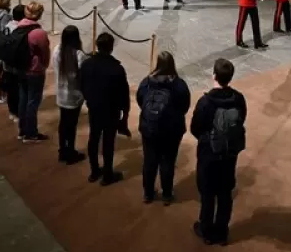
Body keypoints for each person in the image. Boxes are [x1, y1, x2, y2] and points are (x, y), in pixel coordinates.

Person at [190, 58, 247, 246]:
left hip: (209, 152)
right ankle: (221, 232)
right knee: (224, 193)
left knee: (207, 193)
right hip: (229, 153)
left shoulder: (206, 101)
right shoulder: (238, 99)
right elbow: (241, 120)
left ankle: (206, 229)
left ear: (213, 75)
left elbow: (195, 127)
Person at [137, 51, 191, 205]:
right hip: (171, 130)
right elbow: (184, 106)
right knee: (168, 161)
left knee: (149, 161)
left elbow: (141, 100)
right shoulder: (179, 85)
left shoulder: (146, 82)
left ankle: (148, 194)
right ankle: (167, 194)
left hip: (149, 128)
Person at [80, 32, 130, 185]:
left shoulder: (87, 64)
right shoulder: (116, 69)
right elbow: (123, 94)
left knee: (93, 138)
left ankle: (94, 171)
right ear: (111, 48)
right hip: (111, 110)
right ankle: (107, 173)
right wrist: (125, 113)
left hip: (94, 107)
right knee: (108, 141)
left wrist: (89, 99)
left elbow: (81, 84)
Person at [16, 2, 52, 143]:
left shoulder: (19, 26)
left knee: (23, 99)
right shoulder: (39, 33)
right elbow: (44, 52)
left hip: (21, 68)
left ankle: (22, 130)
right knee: (33, 102)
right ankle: (31, 133)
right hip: (34, 70)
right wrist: (45, 64)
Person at [53, 25, 89, 164]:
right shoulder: (79, 55)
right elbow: (83, 75)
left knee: (63, 123)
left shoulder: (57, 50)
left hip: (61, 94)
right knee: (71, 125)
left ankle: (63, 150)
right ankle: (70, 151)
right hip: (74, 95)